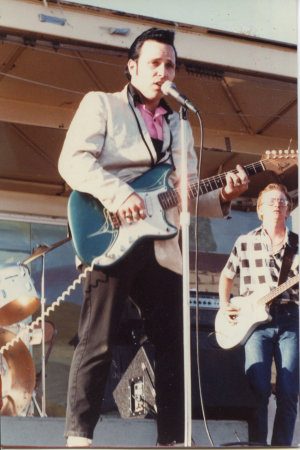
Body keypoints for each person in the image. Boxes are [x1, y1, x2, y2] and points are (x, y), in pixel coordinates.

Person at [59, 27, 248, 447]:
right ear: (132, 67)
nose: (164, 72)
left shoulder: (182, 125)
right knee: (98, 338)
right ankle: (78, 438)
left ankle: (174, 439)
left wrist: (226, 194)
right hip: (109, 231)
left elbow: (190, 193)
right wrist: (119, 192)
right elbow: (72, 160)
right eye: (155, 63)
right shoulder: (102, 105)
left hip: (162, 245)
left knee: (175, 343)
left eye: (171, 65)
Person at [218, 183, 299, 446]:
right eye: (271, 201)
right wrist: (223, 304)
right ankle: (256, 446)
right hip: (254, 325)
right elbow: (227, 276)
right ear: (260, 210)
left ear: (288, 210)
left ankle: (281, 447)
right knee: (258, 390)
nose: (278, 205)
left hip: (290, 320)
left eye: (283, 202)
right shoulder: (245, 242)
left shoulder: (297, 245)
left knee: (288, 391)